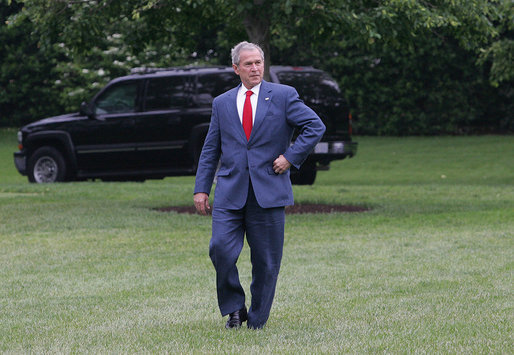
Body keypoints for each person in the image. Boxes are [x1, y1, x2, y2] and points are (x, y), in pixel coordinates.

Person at [194, 41, 325, 329]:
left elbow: (315, 126)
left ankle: (256, 320)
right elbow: (210, 149)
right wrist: (201, 188)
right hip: (229, 191)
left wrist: (290, 158)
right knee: (220, 249)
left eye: (258, 63)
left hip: (269, 191)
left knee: (266, 263)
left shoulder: (283, 96)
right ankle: (234, 308)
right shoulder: (222, 103)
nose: (255, 68)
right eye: (248, 64)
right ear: (236, 68)